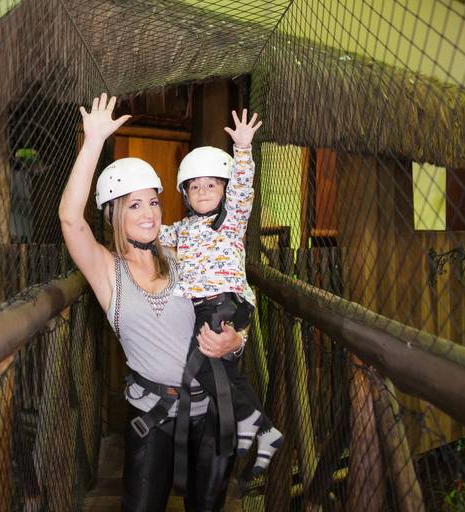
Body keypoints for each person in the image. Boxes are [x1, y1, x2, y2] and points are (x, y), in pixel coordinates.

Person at [59, 93, 245, 511]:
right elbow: (71, 221)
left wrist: (236, 341)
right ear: (113, 215)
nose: (149, 213)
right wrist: (92, 143)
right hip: (153, 417)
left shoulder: (185, 257)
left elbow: (231, 306)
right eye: (134, 205)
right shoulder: (108, 272)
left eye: (155, 202)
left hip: (211, 410)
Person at [160, 110, 283, 475]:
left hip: (224, 302)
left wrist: (243, 149)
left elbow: (244, 189)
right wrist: (118, 209)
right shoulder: (182, 229)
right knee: (218, 371)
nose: (202, 191)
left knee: (198, 362)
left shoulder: (228, 222)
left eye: (211, 185)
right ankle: (256, 427)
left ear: (224, 191)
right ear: (184, 193)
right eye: (194, 186)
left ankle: (254, 424)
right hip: (202, 308)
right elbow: (148, 234)